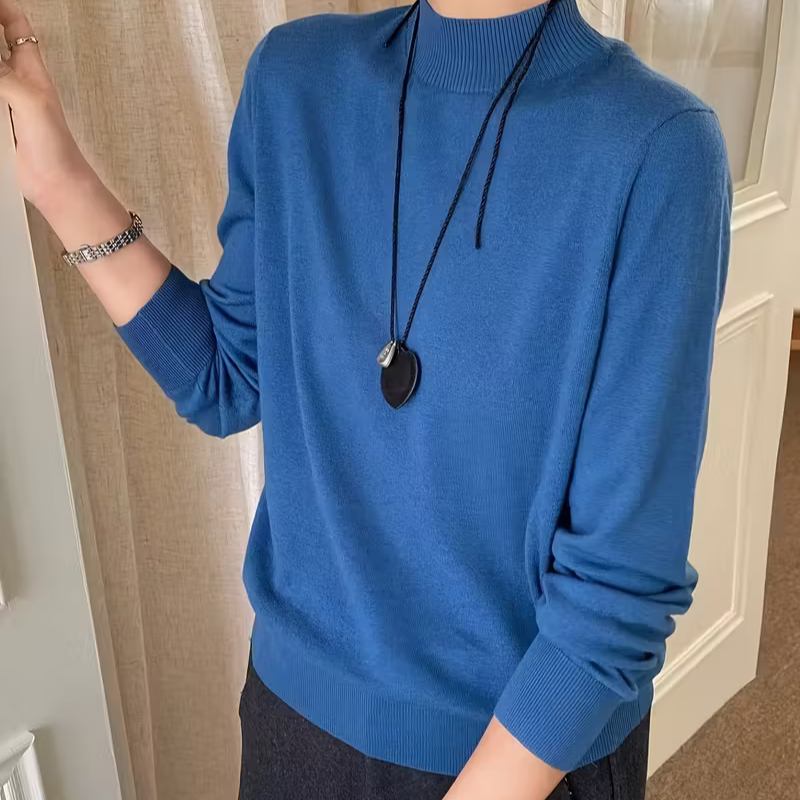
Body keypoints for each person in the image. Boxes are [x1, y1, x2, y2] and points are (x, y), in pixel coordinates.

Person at [0, 0, 731, 797]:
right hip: (294, 731)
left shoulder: (656, 147)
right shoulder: (295, 81)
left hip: (523, 755)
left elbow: (617, 591)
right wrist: (57, 180)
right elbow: (226, 376)